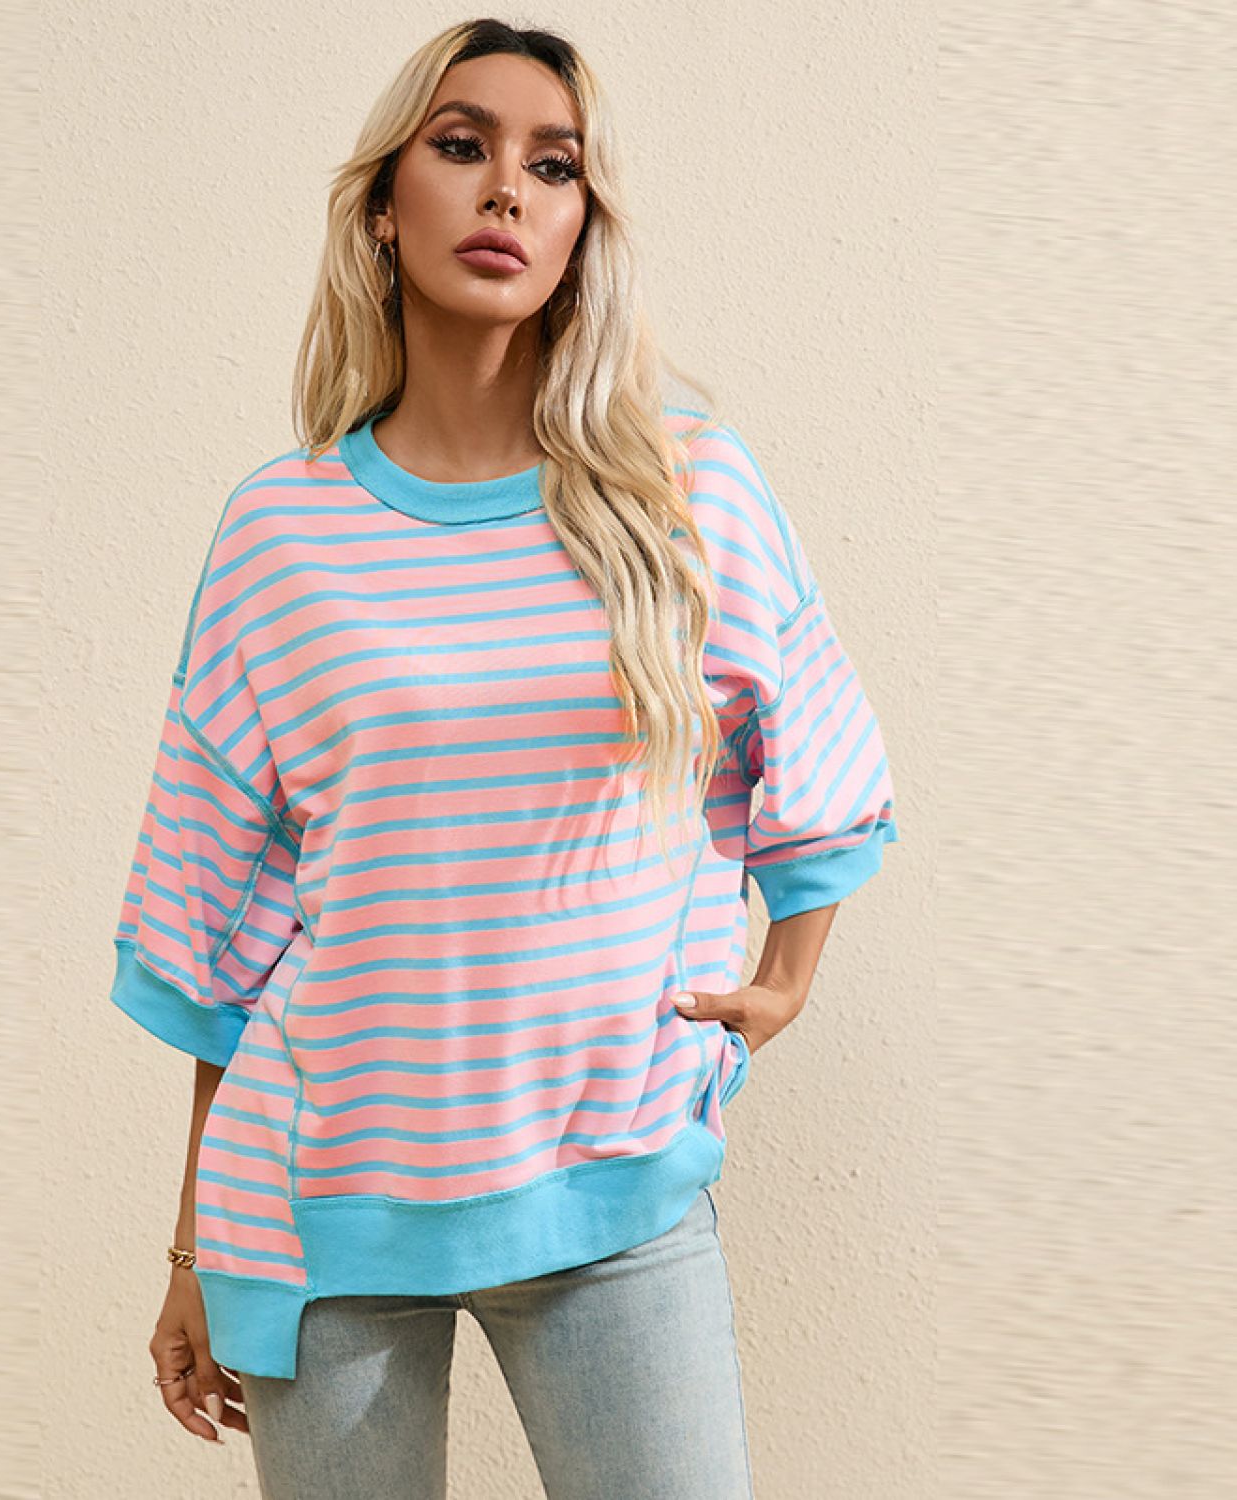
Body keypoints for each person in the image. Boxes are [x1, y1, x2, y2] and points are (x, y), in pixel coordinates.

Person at [108, 18, 900, 1500]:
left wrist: (788, 973)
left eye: (555, 166)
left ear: (584, 223)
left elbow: (822, 752)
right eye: (463, 146)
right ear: (382, 204)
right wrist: (192, 1246)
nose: (507, 192)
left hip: (617, 1182)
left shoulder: (685, 489)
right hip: (323, 1204)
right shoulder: (280, 532)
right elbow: (220, 921)